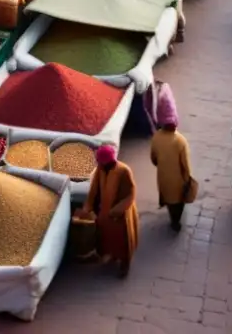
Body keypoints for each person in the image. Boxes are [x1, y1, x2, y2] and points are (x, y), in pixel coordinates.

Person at [81, 145, 139, 278]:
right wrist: (88, 207)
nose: (99, 165)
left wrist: (116, 211)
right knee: (107, 237)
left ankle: (125, 264)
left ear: (109, 162)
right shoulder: (100, 170)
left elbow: (130, 194)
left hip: (121, 214)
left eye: (101, 162)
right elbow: (94, 189)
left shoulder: (124, 171)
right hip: (105, 212)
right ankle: (112, 255)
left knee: (123, 240)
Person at [149, 98, 194, 232]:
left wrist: (161, 165)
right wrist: (188, 178)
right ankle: (175, 221)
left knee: (168, 198)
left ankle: (172, 217)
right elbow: (185, 164)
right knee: (178, 201)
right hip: (178, 179)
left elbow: (153, 157)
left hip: (163, 176)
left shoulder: (156, 136)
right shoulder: (180, 140)